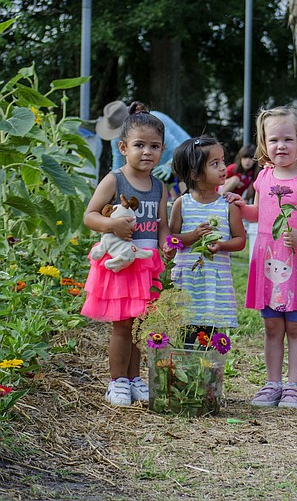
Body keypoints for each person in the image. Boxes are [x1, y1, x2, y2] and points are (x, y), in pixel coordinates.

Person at [235, 106, 297, 408]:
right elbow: (259, 213)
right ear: (264, 142)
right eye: (273, 140)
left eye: (288, 139)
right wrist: (240, 206)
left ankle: (294, 386)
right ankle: (272, 383)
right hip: (267, 260)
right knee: (272, 326)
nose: (281, 146)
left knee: (296, 327)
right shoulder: (263, 178)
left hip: (296, 261)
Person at [81, 102, 174, 406]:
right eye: (139, 145)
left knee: (139, 325)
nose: (147, 152)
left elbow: (161, 224)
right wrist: (112, 225)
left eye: (155, 146)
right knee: (122, 325)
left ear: (162, 150)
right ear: (123, 147)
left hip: (146, 266)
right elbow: (90, 216)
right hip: (120, 266)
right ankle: (117, 381)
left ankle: (135, 379)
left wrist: (166, 243)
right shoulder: (114, 179)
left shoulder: (159, 187)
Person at [169, 135, 246, 343]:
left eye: (222, 161)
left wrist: (221, 245)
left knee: (211, 337)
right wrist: (193, 236)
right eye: (215, 164)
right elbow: (172, 239)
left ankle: (209, 374)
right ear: (194, 173)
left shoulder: (228, 205)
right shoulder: (181, 204)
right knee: (186, 334)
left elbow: (240, 240)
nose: (223, 168)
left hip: (214, 282)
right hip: (188, 282)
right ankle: (187, 371)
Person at [96, 100, 191, 179]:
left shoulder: (154, 123)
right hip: (156, 166)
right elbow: (118, 164)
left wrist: (170, 165)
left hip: (186, 157)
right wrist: (112, 182)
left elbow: (178, 148)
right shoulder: (117, 139)